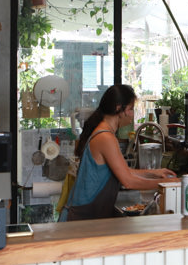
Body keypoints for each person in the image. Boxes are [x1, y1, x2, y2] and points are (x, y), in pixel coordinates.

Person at [63, 84, 175, 220]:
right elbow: (128, 181)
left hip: (87, 215)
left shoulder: (105, 132)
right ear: (118, 108)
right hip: (80, 219)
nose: (132, 114)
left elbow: (122, 171)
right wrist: (170, 184)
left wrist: (154, 173)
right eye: (131, 109)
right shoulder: (105, 137)